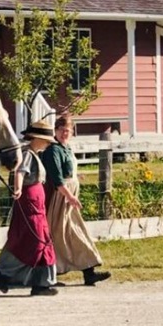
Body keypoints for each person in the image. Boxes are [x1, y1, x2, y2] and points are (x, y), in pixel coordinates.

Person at [41, 115, 111, 286]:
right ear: (56, 131)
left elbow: (68, 171)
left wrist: (75, 178)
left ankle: (89, 272)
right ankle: (52, 275)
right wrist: (70, 197)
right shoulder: (53, 151)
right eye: (62, 130)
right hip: (60, 198)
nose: (65, 133)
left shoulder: (66, 148)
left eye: (68, 130)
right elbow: (57, 180)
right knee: (58, 235)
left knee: (77, 232)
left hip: (69, 197)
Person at [0, 120, 59, 297]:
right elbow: (20, 172)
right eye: (46, 140)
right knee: (35, 240)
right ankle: (4, 272)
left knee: (42, 240)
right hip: (30, 201)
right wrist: (18, 188)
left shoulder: (34, 153)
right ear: (36, 138)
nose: (47, 144)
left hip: (36, 203)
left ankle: (41, 283)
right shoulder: (27, 153)